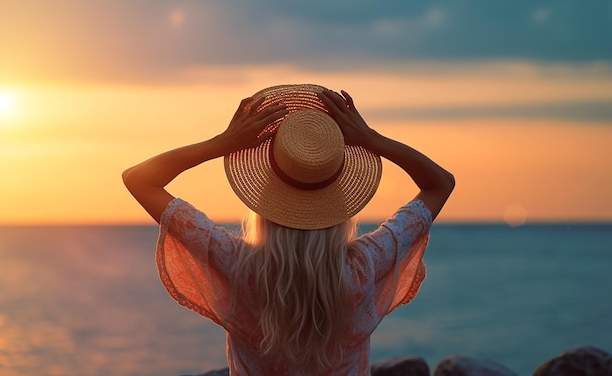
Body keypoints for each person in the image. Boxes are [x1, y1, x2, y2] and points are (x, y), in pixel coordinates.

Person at [122, 84, 455, 376]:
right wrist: (371, 139)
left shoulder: (237, 265)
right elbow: (439, 184)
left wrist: (222, 144)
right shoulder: (365, 265)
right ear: (340, 201)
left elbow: (139, 179)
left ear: (265, 199)